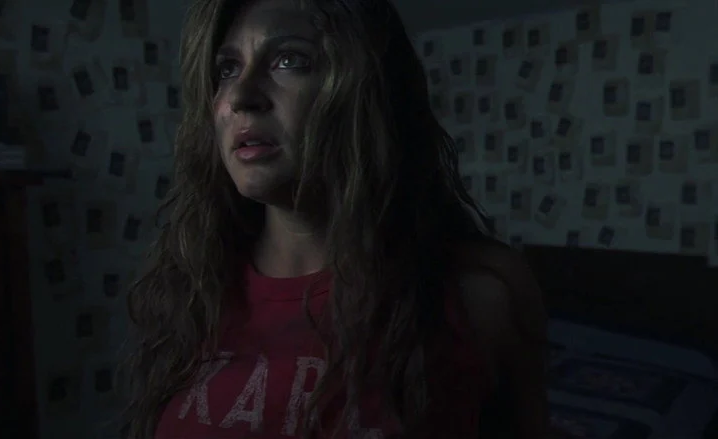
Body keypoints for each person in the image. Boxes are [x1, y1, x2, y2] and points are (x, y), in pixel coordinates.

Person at [121, 0, 551, 438]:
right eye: (227, 69)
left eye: (289, 60)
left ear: (368, 88)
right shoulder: (193, 288)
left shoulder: (479, 291)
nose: (241, 97)